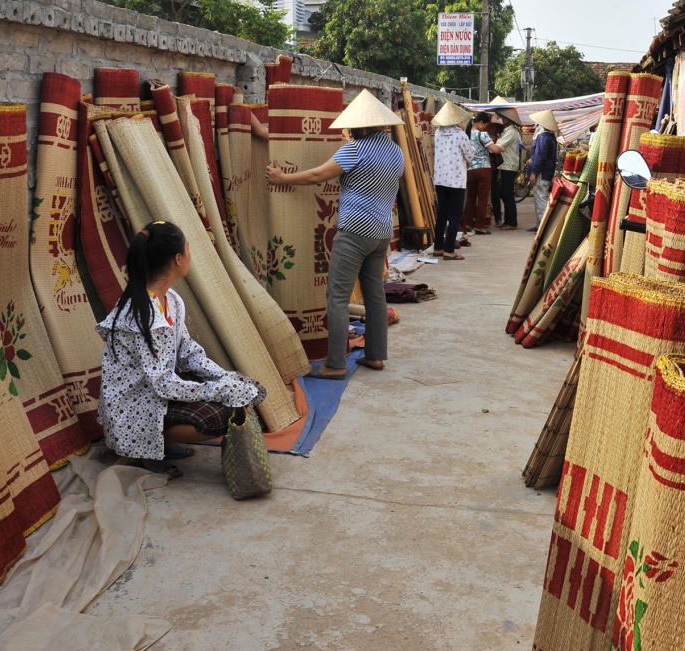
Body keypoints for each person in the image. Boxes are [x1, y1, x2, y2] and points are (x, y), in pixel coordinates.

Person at [96, 221, 264, 479]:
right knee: (220, 415)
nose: (189, 255)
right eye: (188, 249)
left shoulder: (171, 300)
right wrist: (217, 389)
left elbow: (188, 352)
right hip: (134, 407)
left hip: (150, 392)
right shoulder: (145, 316)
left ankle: (160, 442)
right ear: (177, 259)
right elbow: (162, 383)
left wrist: (225, 378)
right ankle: (148, 451)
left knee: (234, 390)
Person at [265, 88, 405, 379]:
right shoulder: (395, 151)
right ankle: (376, 356)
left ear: (355, 125)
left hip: (354, 230)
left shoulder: (354, 150)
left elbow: (318, 175)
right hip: (381, 232)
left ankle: (335, 364)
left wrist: (282, 178)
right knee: (375, 295)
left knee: (337, 297)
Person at [430, 102, 476, 260]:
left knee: (442, 214)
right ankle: (449, 250)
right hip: (456, 180)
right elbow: (469, 154)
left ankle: (438, 247)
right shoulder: (460, 135)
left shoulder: (438, 133)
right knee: (455, 215)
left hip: (441, 179)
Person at [461, 111, 498, 237]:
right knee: (482, 199)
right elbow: (494, 149)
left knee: (470, 198)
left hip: (470, 169)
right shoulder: (483, 135)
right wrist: (501, 148)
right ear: (481, 123)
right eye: (486, 125)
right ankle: (479, 226)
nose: (486, 127)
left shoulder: (466, 134)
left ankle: (468, 224)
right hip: (483, 169)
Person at [526, 109, 559, 232]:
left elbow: (540, 157)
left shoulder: (543, 137)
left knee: (541, 199)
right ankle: (540, 225)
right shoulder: (549, 137)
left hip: (541, 172)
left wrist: (534, 172)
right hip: (546, 171)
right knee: (541, 198)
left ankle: (543, 227)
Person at [493, 107, 523, 230]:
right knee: (505, 194)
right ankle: (508, 220)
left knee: (508, 194)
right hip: (507, 165)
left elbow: (498, 146)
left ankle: (512, 222)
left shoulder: (511, 132)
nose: (503, 119)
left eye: (505, 118)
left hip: (509, 166)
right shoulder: (508, 131)